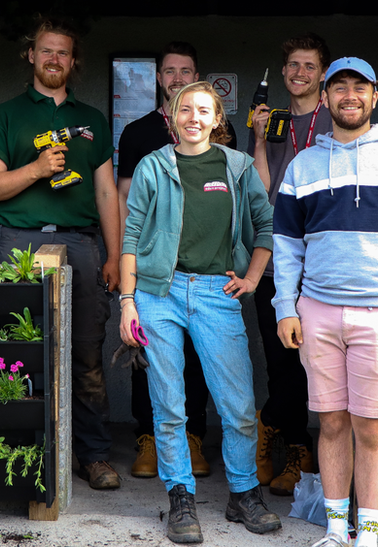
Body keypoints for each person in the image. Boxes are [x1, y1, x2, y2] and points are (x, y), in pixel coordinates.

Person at [272, 58, 378, 547]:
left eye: (359, 87)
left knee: (371, 429)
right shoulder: (304, 164)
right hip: (317, 312)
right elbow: (286, 246)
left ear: (374, 96)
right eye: (339, 87)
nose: (349, 95)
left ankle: (366, 536)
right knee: (330, 424)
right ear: (325, 98)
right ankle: (333, 530)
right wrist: (286, 307)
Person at [120, 81, 281, 544]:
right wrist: (127, 301)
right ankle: (180, 498)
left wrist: (251, 279)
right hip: (157, 294)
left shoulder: (237, 166)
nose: (193, 117)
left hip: (216, 293)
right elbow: (131, 235)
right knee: (169, 406)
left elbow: (265, 224)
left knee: (238, 406)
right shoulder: (153, 165)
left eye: (203, 110)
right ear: (170, 118)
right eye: (184, 109)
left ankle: (243, 494)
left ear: (217, 120)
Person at [0, 17, 122, 490]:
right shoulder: (5, 115)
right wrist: (38, 168)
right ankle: (19, 453)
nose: (54, 59)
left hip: (81, 243)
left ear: (73, 61)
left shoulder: (94, 120)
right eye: (46, 51)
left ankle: (94, 455)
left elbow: (106, 195)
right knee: (16, 350)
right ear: (31, 55)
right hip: (19, 243)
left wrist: (115, 256)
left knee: (86, 352)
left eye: (63, 52)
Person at [116, 41, 237, 480]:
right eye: (170, 72)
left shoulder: (221, 135)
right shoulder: (136, 132)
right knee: (144, 348)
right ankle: (147, 436)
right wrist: (122, 261)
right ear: (158, 79)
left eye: (186, 71)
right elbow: (125, 202)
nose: (178, 79)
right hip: (152, 267)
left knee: (199, 356)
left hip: (205, 270)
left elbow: (237, 208)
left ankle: (194, 438)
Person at [246, 32, 332, 498]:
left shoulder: (332, 121)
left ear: (323, 73)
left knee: (308, 361)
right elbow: (260, 191)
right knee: (281, 359)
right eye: (293, 65)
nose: (300, 73)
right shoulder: (273, 121)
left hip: (322, 259)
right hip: (276, 257)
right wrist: (258, 140)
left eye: (309, 66)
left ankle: (270, 423)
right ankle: (297, 452)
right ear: (283, 74)